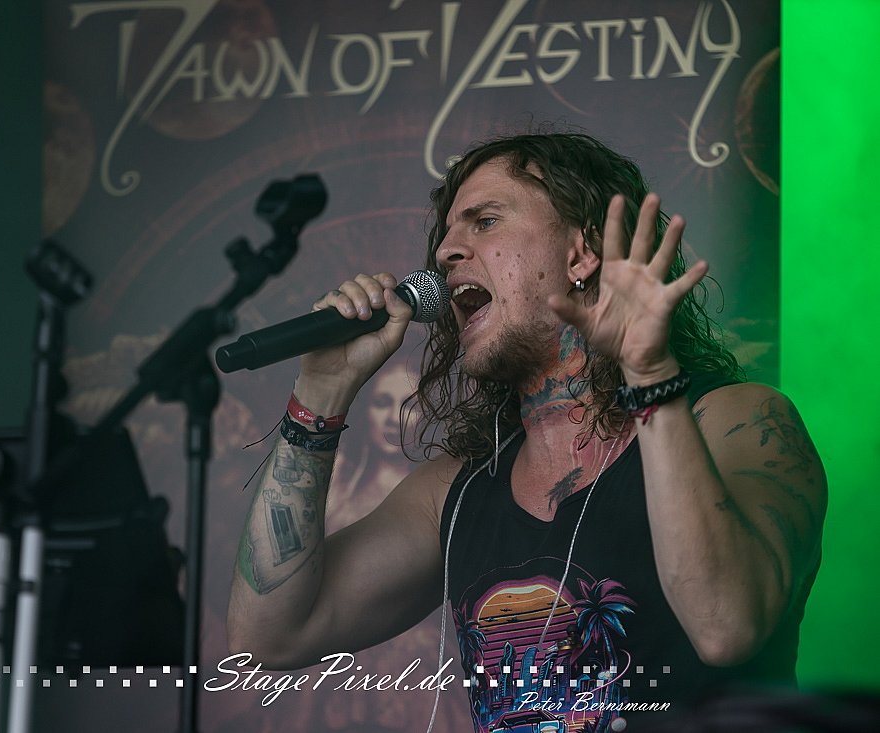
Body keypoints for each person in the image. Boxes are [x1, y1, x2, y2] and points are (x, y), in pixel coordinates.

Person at [227, 132, 826, 731]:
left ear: (581, 254)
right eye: (446, 236)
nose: (445, 252)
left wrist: (649, 373)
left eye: (485, 221)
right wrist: (321, 394)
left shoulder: (737, 422)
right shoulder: (455, 492)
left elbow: (725, 627)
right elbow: (268, 639)